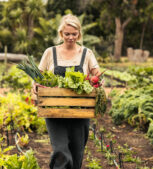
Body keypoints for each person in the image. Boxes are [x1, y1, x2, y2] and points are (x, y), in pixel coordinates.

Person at [34, 14, 101, 169]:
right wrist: (36, 86)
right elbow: (38, 76)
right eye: (67, 34)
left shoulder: (86, 53)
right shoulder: (50, 52)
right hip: (54, 111)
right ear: (61, 34)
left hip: (80, 112)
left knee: (77, 155)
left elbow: (96, 73)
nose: (70, 37)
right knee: (61, 152)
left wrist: (96, 80)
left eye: (74, 34)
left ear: (79, 34)